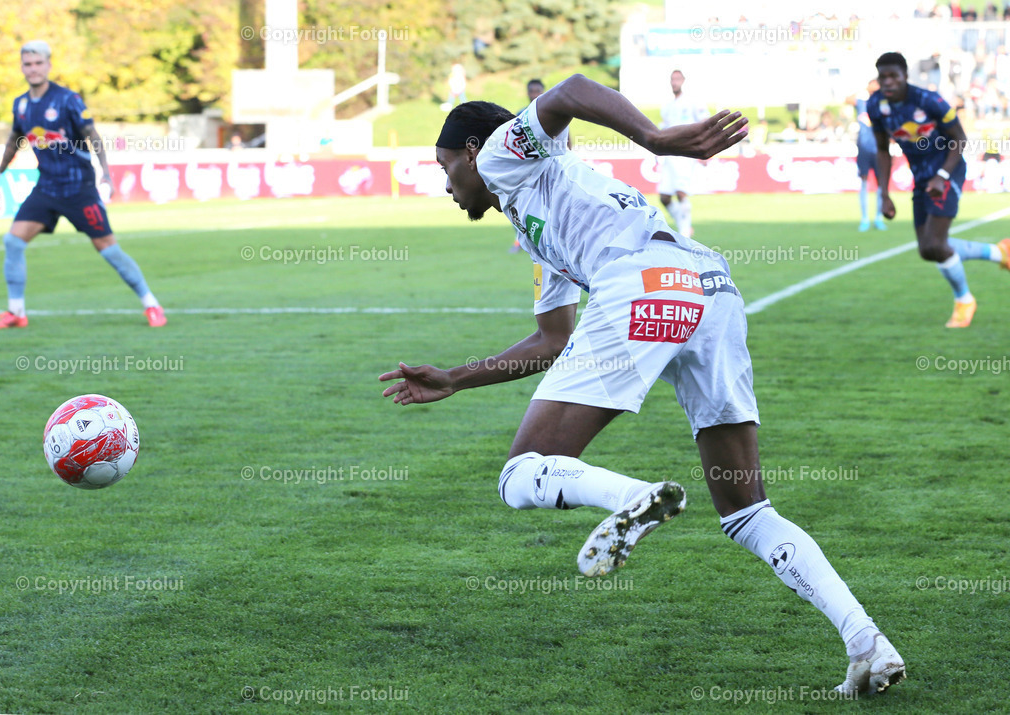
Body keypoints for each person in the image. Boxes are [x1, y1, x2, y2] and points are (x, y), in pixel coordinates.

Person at [380, 73, 906, 695]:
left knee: (520, 474)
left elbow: (571, 90)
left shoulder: (500, 155)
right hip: (708, 286)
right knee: (747, 511)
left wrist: (656, 139)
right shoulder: (537, 212)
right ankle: (867, 643)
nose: (446, 184)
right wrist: (455, 378)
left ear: (472, 151)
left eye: (444, 166)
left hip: (643, 283)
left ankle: (637, 496)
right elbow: (551, 339)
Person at [0, 41, 166, 330]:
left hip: (79, 189)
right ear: (22, 67)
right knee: (13, 241)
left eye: (38, 63)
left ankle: (152, 305)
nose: (33, 69)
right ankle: (16, 312)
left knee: (109, 249)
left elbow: (92, 135)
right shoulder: (20, 104)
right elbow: (14, 140)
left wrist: (105, 173)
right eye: (28, 64)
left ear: (48, 65)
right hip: (46, 188)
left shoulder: (68, 99)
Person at [869, 51, 1009, 328]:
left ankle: (964, 300)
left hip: (948, 171)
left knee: (935, 243)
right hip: (921, 177)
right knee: (927, 249)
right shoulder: (876, 105)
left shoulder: (930, 100)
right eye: (883, 77)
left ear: (905, 75)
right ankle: (1000, 253)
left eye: (893, 76)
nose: (888, 82)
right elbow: (883, 150)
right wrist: (884, 194)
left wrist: (942, 176)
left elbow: (960, 139)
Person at [509, 79, 570, 254]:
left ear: (544, 91)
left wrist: (568, 159)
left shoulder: (555, 114)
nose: (535, 94)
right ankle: (522, 241)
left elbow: (567, 139)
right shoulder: (521, 115)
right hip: (528, 170)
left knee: (553, 206)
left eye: (538, 90)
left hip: (551, 167)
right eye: (532, 91)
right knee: (521, 206)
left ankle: (554, 243)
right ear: (527, 93)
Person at [657, 70, 708, 238]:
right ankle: (683, 224)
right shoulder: (667, 107)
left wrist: (705, 148)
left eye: (677, 79)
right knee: (664, 197)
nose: (674, 82)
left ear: (684, 81)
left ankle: (685, 233)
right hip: (669, 154)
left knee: (681, 192)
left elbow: (705, 123)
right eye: (672, 79)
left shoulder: (693, 102)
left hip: (685, 152)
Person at [846, 80, 887, 232]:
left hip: (879, 149)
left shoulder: (883, 105)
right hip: (863, 148)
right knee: (863, 182)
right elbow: (848, 99)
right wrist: (863, 88)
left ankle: (878, 218)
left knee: (881, 184)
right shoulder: (862, 103)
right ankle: (864, 218)